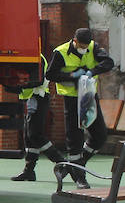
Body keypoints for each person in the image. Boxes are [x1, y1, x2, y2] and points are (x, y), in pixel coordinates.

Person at [45, 27, 115, 188]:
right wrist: (71, 75)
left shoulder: (93, 47)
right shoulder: (61, 52)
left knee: (100, 135)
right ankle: (79, 178)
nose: (84, 49)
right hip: (71, 99)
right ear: (74, 41)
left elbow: (108, 62)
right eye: (81, 46)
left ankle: (75, 164)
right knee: (74, 138)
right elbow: (50, 74)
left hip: (89, 96)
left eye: (86, 46)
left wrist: (92, 71)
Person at [11, 53, 68, 182]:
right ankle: (29, 171)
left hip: (38, 98)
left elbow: (39, 80)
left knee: (35, 135)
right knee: (28, 137)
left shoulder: (37, 58)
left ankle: (62, 162)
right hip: (31, 99)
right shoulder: (29, 57)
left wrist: (21, 86)